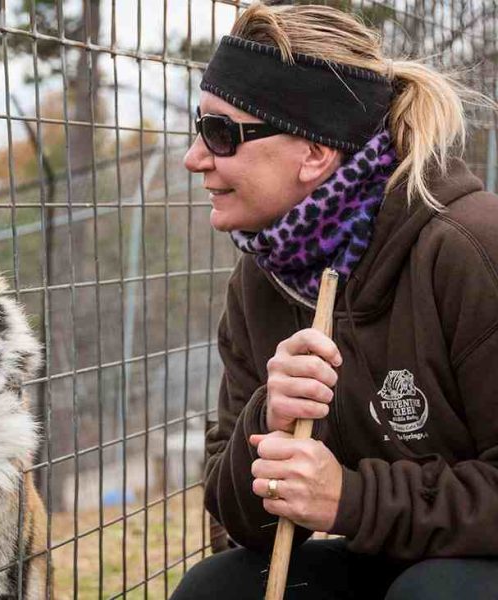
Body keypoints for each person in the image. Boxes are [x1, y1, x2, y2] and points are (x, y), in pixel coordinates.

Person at [171, 3, 498, 599]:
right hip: (391, 554)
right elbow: (234, 521)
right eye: (200, 127)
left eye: (221, 133)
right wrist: (268, 423)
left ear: (316, 153)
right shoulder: (261, 279)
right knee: (215, 590)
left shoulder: (470, 247)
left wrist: (352, 500)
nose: (195, 157)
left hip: (471, 564)